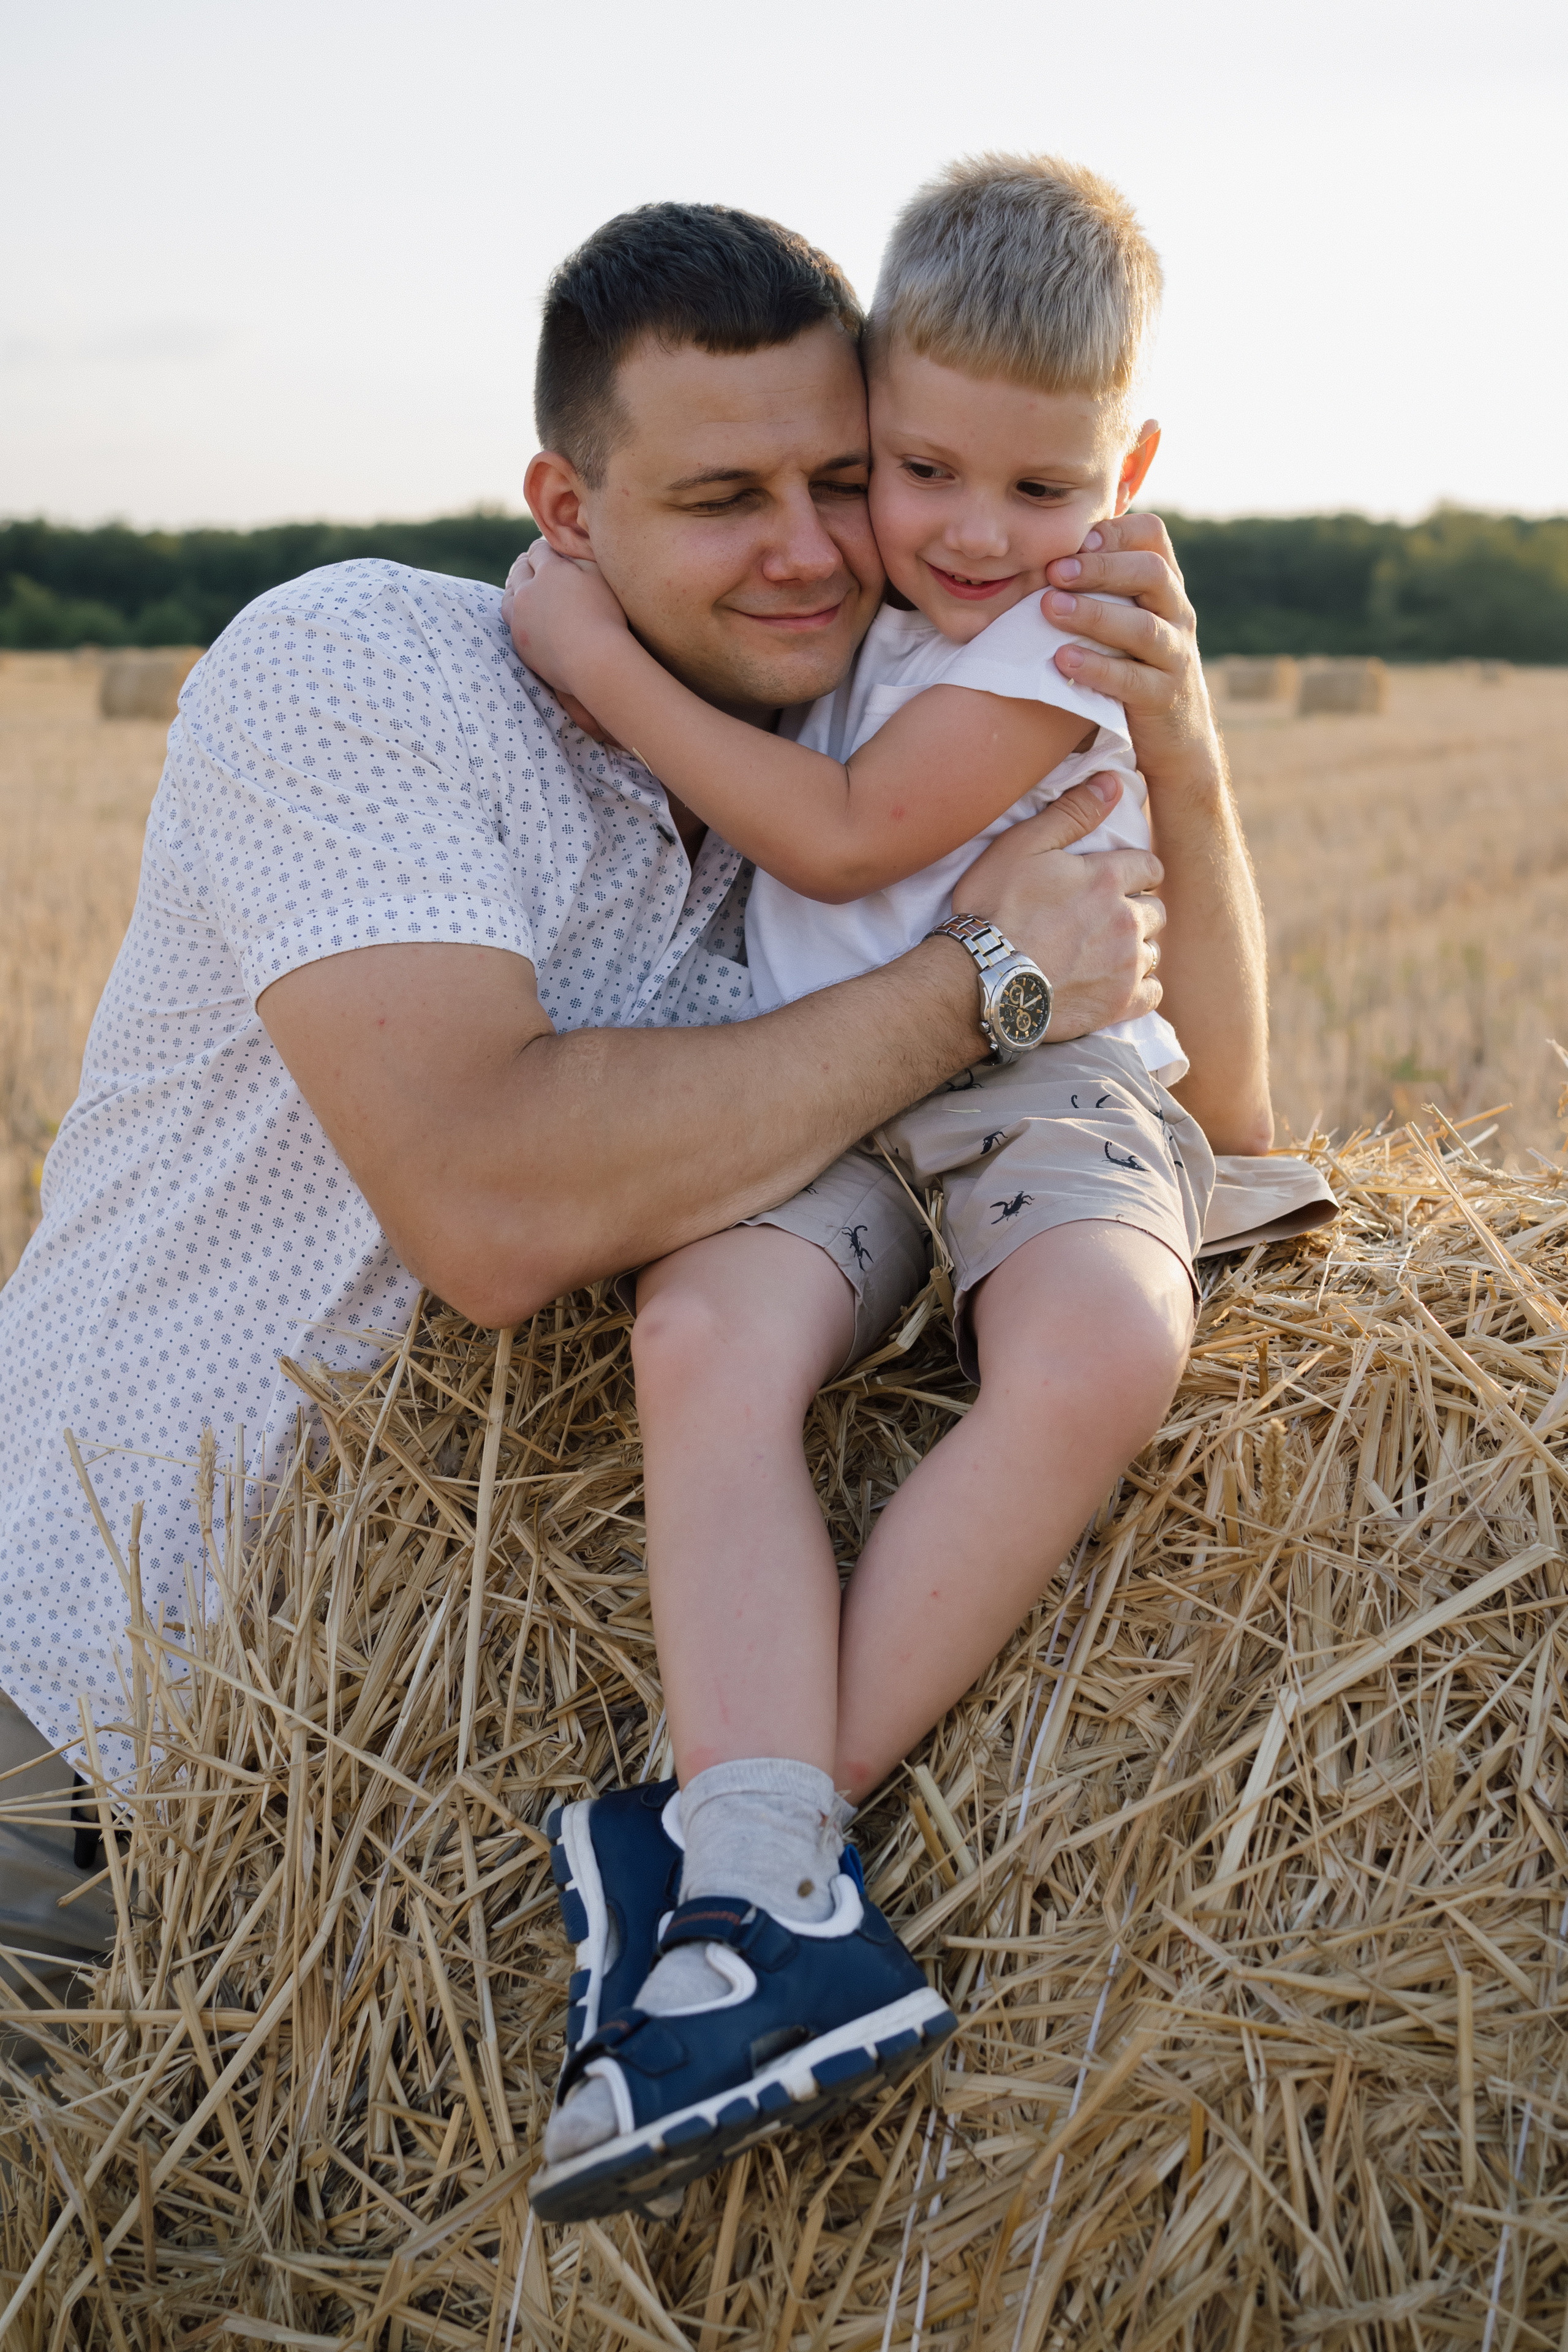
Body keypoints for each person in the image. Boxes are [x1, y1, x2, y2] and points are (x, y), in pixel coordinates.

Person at [0, 200, 1267, 2073]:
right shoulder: (364, 666)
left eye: (849, 479)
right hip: (76, 1733)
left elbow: (1225, 1124)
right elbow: (495, 1207)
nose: (812, 551)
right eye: (720, 498)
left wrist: (1182, 750)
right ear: (568, 511)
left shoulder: (854, 752)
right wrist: (985, 975)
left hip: (385, 1854)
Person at [517, 162, 1272, 2222]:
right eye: (911, 467)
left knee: (1108, 1343)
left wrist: (587, 652)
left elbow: (846, 841)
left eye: (1034, 489)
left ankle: (742, 1871)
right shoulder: (875, 586)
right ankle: (754, 1887)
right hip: (847, 1114)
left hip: (1035, 1088)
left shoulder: (1061, 629)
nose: (955, 530)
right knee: (698, 1329)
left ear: (1122, 469)